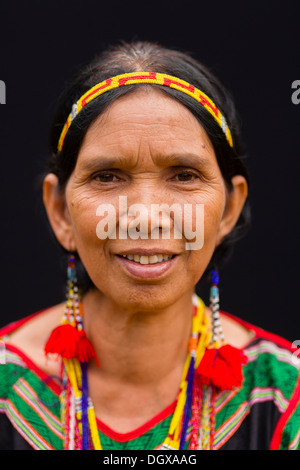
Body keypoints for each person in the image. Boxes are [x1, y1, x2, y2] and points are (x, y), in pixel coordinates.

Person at [0, 41, 299, 451]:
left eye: (183, 176)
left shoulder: (282, 396)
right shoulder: (7, 384)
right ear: (60, 211)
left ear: (229, 208)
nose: (145, 216)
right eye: (107, 176)